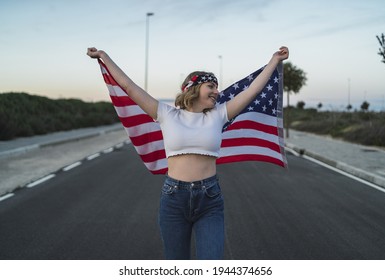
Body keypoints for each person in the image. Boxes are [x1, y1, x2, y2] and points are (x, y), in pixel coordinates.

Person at [87, 46, 289, 259]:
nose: (217, 92)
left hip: (210, 199)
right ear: (193, 89)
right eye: (211, 85)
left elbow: (252, 91)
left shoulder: (219, 115)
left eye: (217, 87)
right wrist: (104, 57)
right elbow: (129, 86)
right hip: (173, 199)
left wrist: (274, 60)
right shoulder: (166, 114)